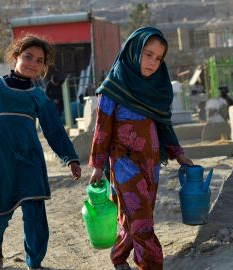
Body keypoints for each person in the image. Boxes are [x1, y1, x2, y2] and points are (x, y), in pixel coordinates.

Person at [0, 35, 82, 270]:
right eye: (28, 57)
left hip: (30, 161)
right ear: (17, 56)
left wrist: (70, 157)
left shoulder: (38, 96)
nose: (32, 63)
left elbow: (54, 130)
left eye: (39, 61)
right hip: (1, 162)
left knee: (35, 214)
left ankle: (35, 262)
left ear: (43, 67)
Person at [88, 27, 194, 270]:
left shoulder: (156, 90)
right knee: (142, 219)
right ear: (134, 51)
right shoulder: (113, 87)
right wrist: (97, 165)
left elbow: (164, 126)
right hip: (124, 162)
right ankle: (152, 263)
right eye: (148, 54)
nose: (153, 62)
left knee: (136, 216)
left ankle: (118, 255)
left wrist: (180, 155)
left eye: (158, 58)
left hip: (151, 162)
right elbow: (102, 129)